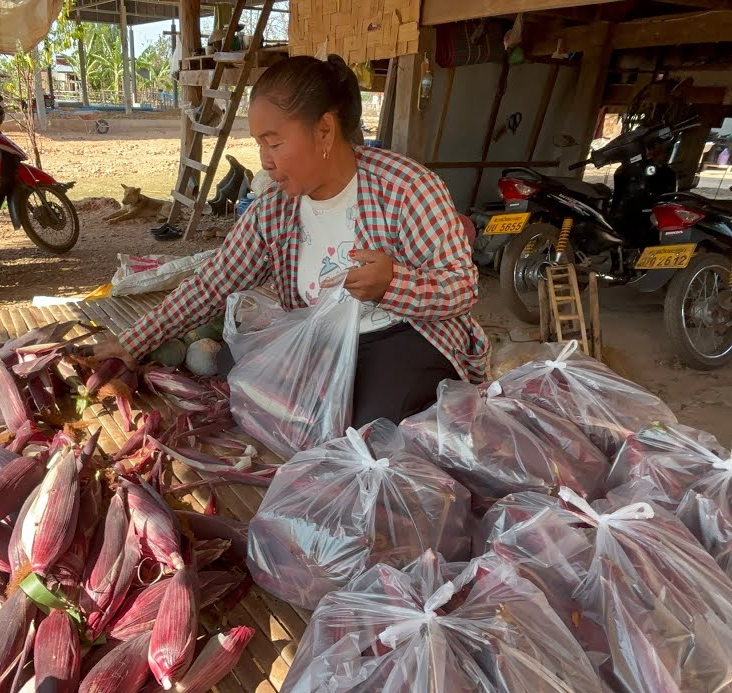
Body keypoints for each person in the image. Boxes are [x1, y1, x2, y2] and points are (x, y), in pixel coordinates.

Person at [94, 54, 490, 426]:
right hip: (325, 345)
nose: (265, 161)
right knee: (240, 369)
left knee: (369, 421)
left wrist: (393, 284)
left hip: (405, 337)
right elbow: (213, 284)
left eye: (275, 143)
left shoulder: (406, 187)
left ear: (324, 131)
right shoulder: (274, 210)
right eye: (259, 144)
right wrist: (134, 342)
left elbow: (461, 287)